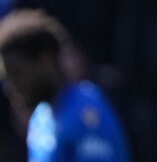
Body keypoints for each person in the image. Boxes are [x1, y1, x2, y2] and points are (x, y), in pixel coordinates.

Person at [0, 9, 130, 162]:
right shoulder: (41, 117)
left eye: (17, 73)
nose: (10, 86)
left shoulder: (85, 111)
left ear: (45, 61)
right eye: (6, 77)